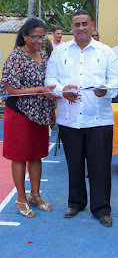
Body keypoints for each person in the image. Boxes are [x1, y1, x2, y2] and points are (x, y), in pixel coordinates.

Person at [45, 9, 118, 227]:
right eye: (76, 24)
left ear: (92, 25)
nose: (80, 28)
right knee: (74, 165)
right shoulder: (60, 53)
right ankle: (76, 202)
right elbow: (50, 79)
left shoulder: (106, 52)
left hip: (99, 120)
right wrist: (61, 90)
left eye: (84, 24)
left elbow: (117, 81)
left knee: (101, 167)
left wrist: (106, 89)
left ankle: (101, 208)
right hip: (70, 120)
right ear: (71, 27)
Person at [0, 18, 58, 218]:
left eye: (43, 36)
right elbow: (11, 89)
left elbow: (50, 84)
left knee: (36, 155)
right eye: (35, 37)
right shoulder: (16, 57)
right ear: (24, 36)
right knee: (20, 156)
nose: (40, 40)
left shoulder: (43, 55)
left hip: (40, 113)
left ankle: (35, 195)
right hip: (20, 113)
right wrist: (40, 90)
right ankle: (21, 198)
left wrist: (51, 111)